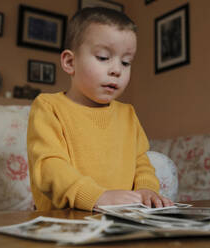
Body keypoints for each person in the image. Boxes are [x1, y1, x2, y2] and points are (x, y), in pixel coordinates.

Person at [27, 7, 174, 211]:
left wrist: (146, 189)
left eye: (126, 62)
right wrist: (96, 197)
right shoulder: (49, 107)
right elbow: (49, 166)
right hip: (64, 220)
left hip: (123, 218)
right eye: (103, 57)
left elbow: (141, 162)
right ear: (70, 62)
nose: (116, 70)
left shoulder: (128, 114)